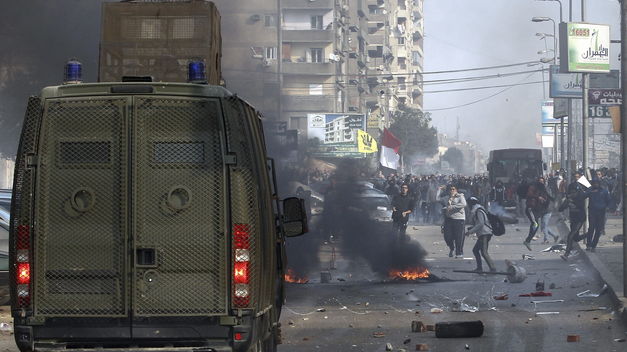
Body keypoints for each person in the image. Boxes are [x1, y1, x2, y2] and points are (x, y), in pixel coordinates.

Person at [523, 177, 558, 249]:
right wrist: (538, 197)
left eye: (542, 182)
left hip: (544, 210)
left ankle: (529, 240)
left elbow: (548, 198)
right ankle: (529, 240)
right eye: (540, 182)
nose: (541, 183)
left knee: (540, 225)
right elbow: (529, 195)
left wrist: (547, 201)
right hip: (532, 208)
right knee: (537, 225)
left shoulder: (545, 189)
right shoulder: (532, 188)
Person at [559, 171, 587, 261]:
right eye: (571, 192)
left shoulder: (580, 197)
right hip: (573, 217)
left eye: (574, 192)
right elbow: (561, 207)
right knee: (575, 237)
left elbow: (590, 188)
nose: (572, 193)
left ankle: (566, 254)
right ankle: (590, 234)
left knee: (570, 236)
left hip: (580, 217)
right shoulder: (570, 198)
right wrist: (566, 204)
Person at [466, 196, 496, 272]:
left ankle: (492, 268)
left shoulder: (478, 211)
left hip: (485, 234)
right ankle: (480, 268)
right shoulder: (478, 210)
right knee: (477, 250)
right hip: (483, 233)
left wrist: (470, 231)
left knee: (484, 252)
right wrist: (472, 228)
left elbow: (481, 224)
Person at [584, 179, 612, 252]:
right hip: (592, 212)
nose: (596, 185)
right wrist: (590, 192)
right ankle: (589, 245)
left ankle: (594, 246)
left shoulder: (604, 191)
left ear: (599, 184)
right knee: (591, 229)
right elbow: (584, 196)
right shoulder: (590, 190)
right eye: (594, 183)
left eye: (597, 183)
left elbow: (609, 200)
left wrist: (606, 207)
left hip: (601, 213)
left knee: (598, 230)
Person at [440, 185, 467, 258]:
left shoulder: (460, 196)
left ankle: (459, 252)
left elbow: (464, 204)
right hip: (449, 218)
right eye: (450, 189)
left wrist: (452, 207)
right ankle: (452, 248)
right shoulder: (447, 197)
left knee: (459, 237)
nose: (452, 191)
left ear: (456, 190)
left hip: (459, 218)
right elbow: (437, 199)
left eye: (453, 189)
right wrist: (439, 190)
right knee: (447, 236)